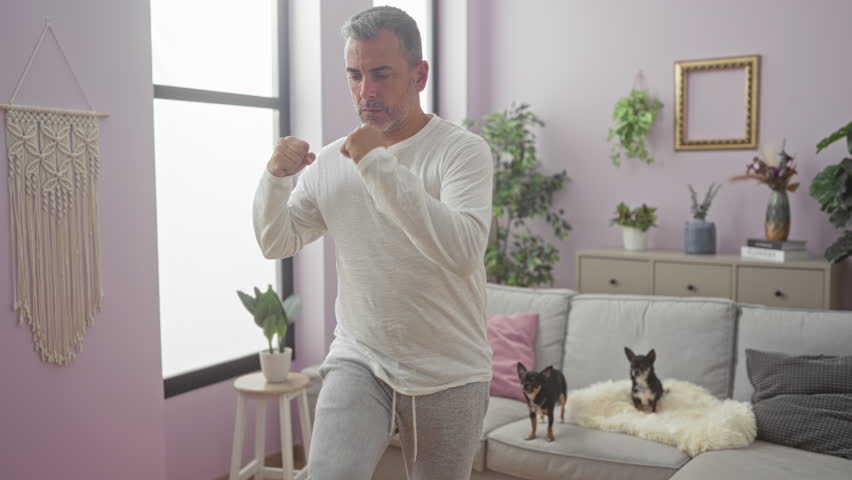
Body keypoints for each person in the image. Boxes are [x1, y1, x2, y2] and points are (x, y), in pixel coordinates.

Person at [253, 6, 493, 480]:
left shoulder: (461, 152)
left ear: (419, 74)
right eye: (355, 75)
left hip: (449, 368)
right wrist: (275, 179)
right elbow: (275, 241)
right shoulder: (330, 162)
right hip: (360, 356)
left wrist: (377, 165)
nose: (367, 92)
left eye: (381, 74)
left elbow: (463, 251)